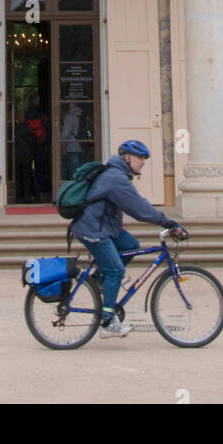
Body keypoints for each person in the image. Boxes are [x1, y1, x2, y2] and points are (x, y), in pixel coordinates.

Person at [70, 139, 187, 337]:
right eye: (140, 158)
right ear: (127, 157)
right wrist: (168, 223)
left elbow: (137, 202)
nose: (143, 162)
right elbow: (138, 209)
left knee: (130, 245)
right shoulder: (116, 177)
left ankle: (99, 280)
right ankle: (107, 323)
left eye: (144, 158)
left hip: (104, 226)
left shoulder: (118, 175)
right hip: (92, 229)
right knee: (115, 270)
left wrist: (164, 220)